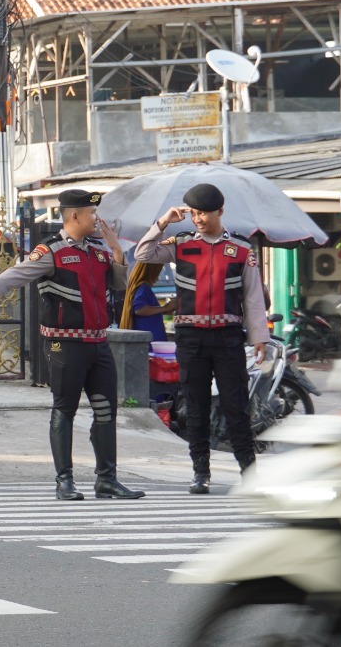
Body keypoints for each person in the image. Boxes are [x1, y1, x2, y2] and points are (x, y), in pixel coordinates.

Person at [0, 189, 145, 501]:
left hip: (98, 344)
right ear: (75, 216)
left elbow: (119, 283)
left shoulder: (97, 252)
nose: (96, 219)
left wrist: (115, 250)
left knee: (106, 411)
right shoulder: (50, 251)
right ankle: (65, 481)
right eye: (91, 213)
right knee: (65, 409)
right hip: (63, 345)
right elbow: (17, 274)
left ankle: (107, 480)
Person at [133, 183, 269, 494]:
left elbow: (252, 297)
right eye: (194, 213)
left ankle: (250, 473)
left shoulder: (241, 248)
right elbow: (143, 252)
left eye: (204, 213)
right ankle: (200, 473)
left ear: (220, 211)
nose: (198, 219)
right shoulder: (180, 244)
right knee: (195, 406)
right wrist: (164, 220)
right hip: (190, 336)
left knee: (236, 406)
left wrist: (260, 336)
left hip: (228, 336)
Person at [121, 261, 172, 342]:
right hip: (148, 343)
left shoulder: (143, 287)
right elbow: (139, 309)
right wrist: (164, 308)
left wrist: (164, 310)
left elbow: (148, 310)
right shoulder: (143, 287)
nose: (158, 276)